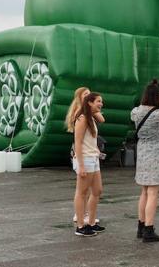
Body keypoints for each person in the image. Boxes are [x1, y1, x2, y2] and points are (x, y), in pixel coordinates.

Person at [132, 79, 159, 242]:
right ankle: (149, 229)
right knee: (153, 192)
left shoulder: (135, 111)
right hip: (155, 150)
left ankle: (141, 227)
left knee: (144, 191)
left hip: (141, 150)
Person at [66, 87, 104, 225]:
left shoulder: (91, 116)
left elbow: (102, 119)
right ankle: (81, 225)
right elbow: (78, 142)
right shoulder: (81, 117)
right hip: (85, 158)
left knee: (97, 190)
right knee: (82, 192)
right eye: (98, 101)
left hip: (93, 157)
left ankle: (91, 222)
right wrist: (80, 165)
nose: (101, 104)